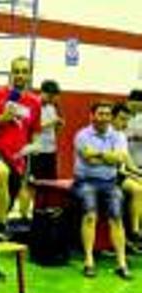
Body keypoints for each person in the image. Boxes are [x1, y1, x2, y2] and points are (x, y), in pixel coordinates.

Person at [0, 56, 43, 231]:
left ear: (29, 75)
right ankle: (3, 224)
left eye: (24, 72)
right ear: (11, 74)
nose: (20, 75)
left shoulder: (34, 102)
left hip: (17, 160)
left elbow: (35, 134)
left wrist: (34, 147)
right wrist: (2, 118)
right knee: (0, 172)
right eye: (17, 71)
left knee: (2, 205)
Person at [73, 101, 132, 279]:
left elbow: (119, 159)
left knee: (116, 218)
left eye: (107, 114)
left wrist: (98, 154)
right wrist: (109, 157)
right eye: (100, 114)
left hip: (110, 182)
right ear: (92, 116)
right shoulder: (82, 135)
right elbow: (89, 160)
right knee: (90, 215)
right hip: (85, 182)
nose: (104, 118)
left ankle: (121, 264)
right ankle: (89, 261)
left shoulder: (119, 135)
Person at [112, 102, 142, 251]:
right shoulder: (108, 135)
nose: (124, 123)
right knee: (137, 189)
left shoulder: (122, 136)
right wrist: (134, 176)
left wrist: (138, 173)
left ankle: (135, 233)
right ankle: (135, 232)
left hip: (121, 174)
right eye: (122, 119)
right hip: (110, 176)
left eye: (126, 120)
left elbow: (128, 162)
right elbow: (117, 167)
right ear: (112, 118)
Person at [30, 79, 63, 181]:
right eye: (50, 96)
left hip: (50, 150)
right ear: (42, 93)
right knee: (36, 182)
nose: (52, 99)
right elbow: (31, 126)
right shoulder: (33, 105)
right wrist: (52, 122)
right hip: (37, 151)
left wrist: (58, 125)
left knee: (51, 182)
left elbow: (54, 130)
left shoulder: (52, 107)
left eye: (54, 97)